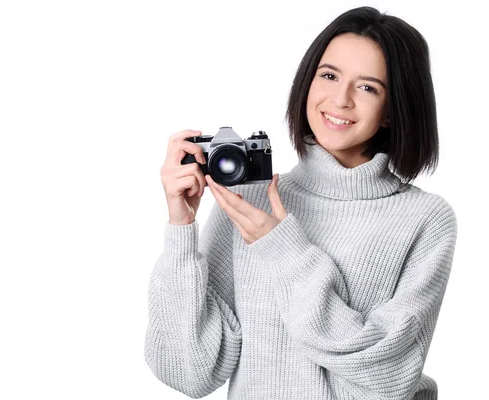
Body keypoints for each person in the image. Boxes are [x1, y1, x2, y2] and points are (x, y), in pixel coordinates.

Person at [145, 6, 457, 400]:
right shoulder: (249, 201)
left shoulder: (425, 219)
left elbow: (391, 375)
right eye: (328, 76)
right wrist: (180, 230)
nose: (339, 100)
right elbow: (190, 372)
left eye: (367, 87)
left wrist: (284, 250)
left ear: (393, 112)